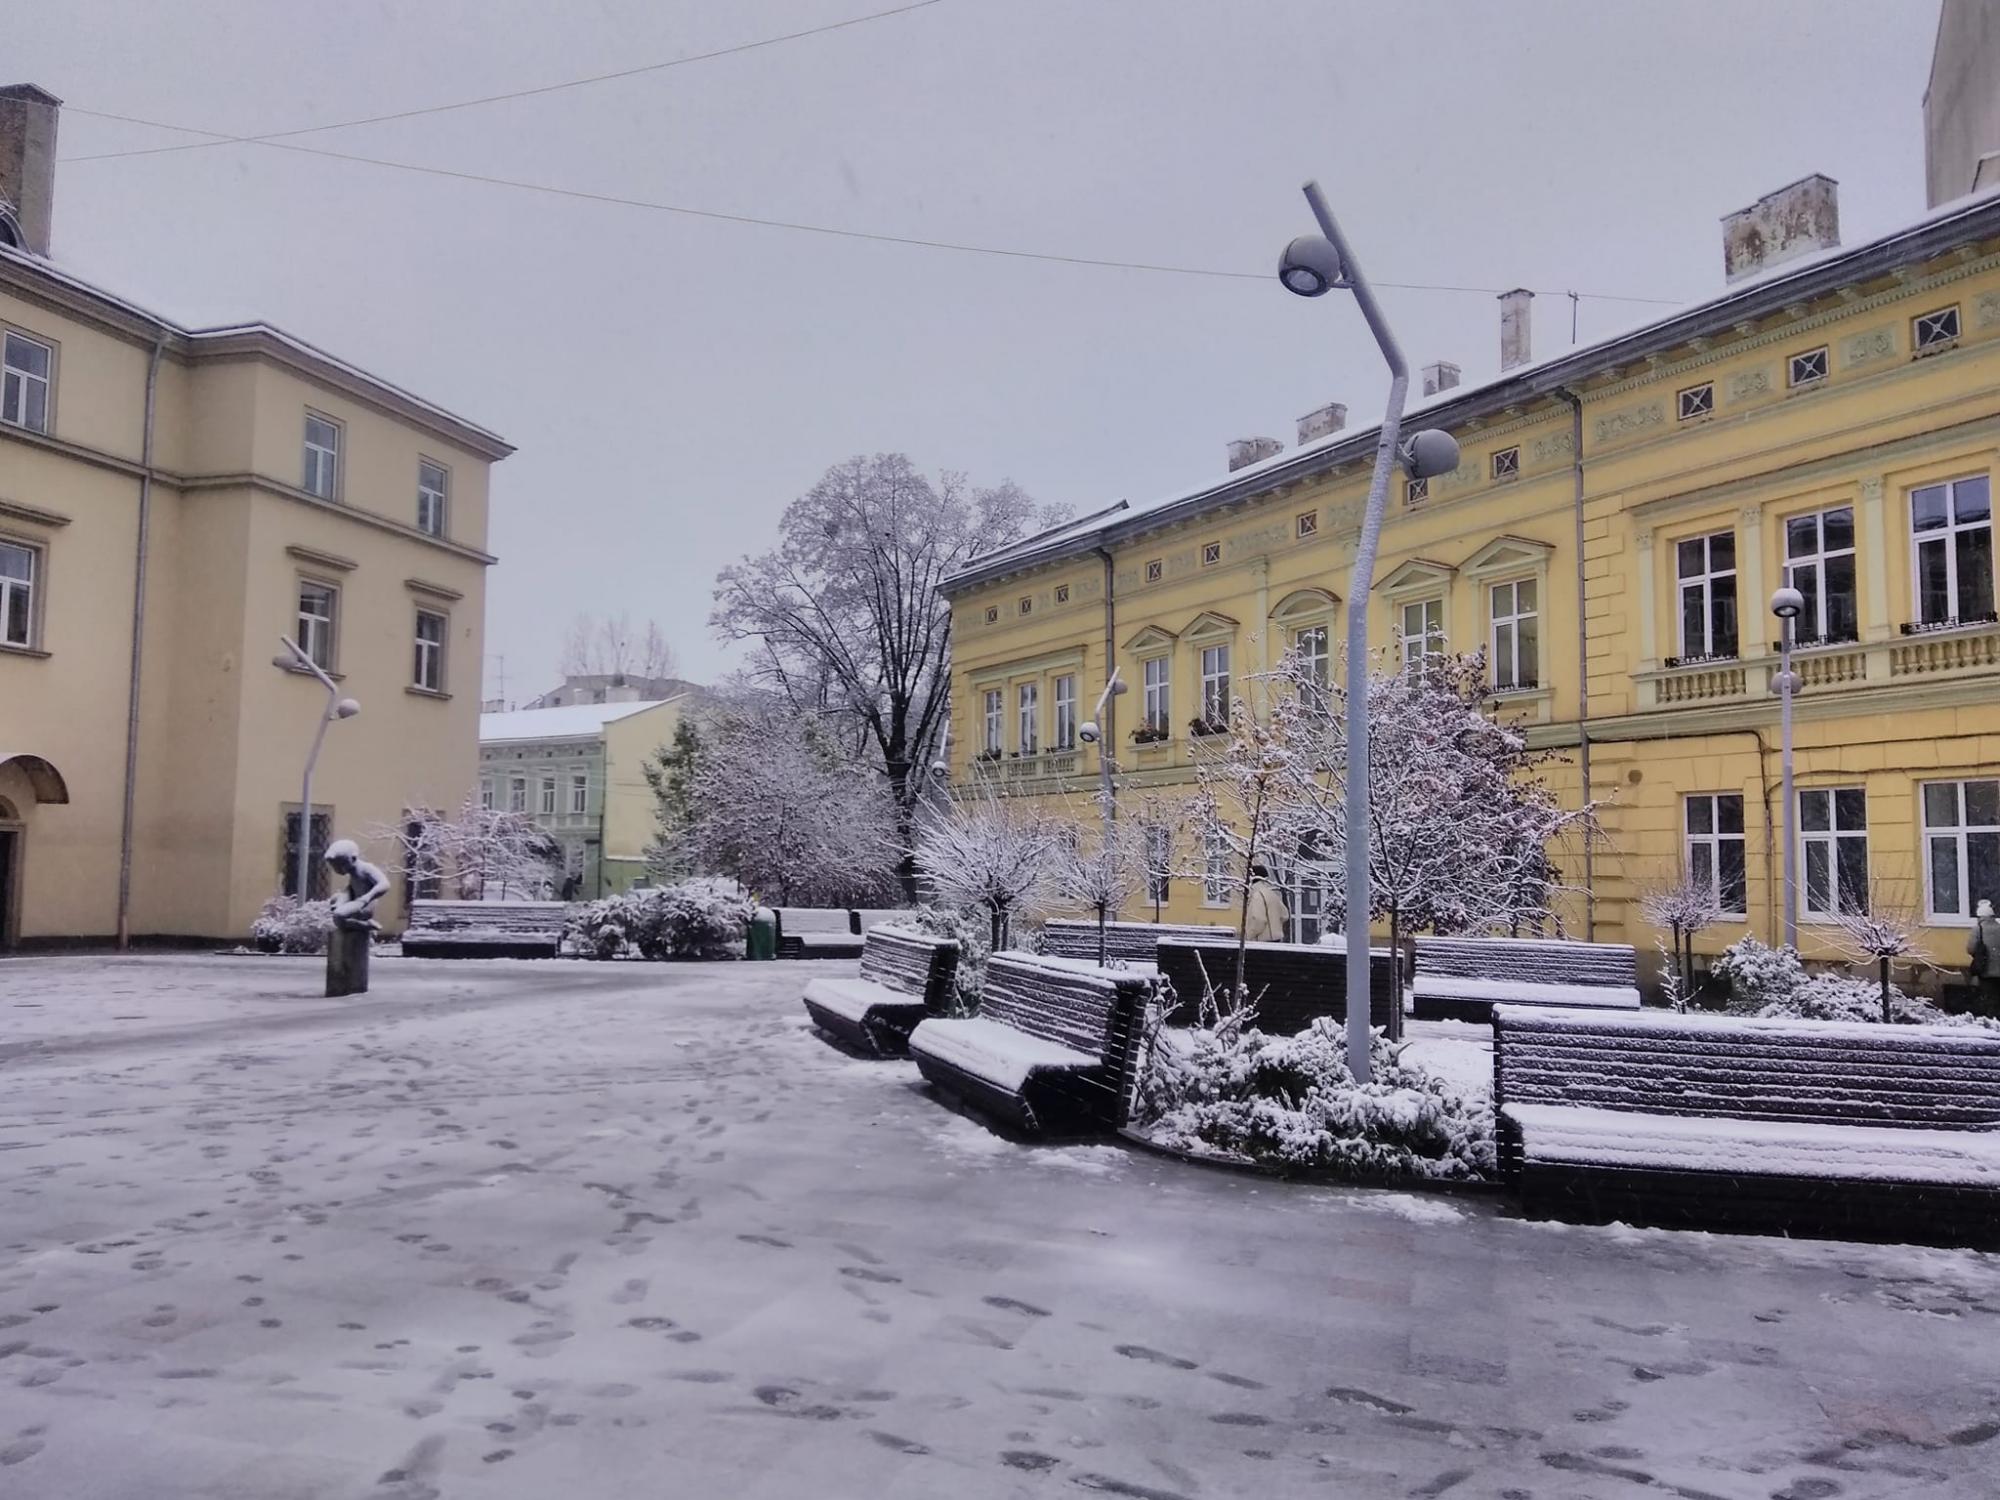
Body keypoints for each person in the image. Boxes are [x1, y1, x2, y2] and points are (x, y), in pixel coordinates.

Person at [324, 839, 389, 932]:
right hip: (356, 901)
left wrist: (367, 897)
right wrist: (339, 902)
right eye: (335, 867)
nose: (337, 870)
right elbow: (350, 889)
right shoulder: (352, 873)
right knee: (335, 898)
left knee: (338, 916)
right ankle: (349, 923)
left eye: (341, 865)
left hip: (364, 905)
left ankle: (366, 925)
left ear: (353, 858)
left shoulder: (366, 869)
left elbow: (384, 884)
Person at [1242, 862, 1290, 943]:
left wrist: (1250, 935)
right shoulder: (1271, 894)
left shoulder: (1257, 895)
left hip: (1262, 941)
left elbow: (1258, 919)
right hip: (1276, 938)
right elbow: (1285, 915)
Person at [1970, 897, 2000, 1013]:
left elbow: (1970, 948)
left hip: (1986, 970)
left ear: (1980, 917)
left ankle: (1992, 1020)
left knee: (1989, 998)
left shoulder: (1978, 929)